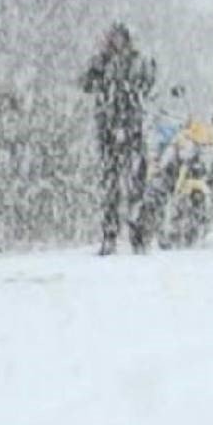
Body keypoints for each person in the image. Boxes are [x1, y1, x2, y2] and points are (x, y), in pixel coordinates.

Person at [79, 23, 157, 255]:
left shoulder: (138, 62)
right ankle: (110, 235)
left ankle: (138, 235)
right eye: (112, 38)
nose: (116, 42)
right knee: (111, 187)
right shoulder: (101, 62)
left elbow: (148, 84)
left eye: (120, 38)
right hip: (109, 132)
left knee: (136, 186)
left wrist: (130, 91)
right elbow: (86, 84)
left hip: (132, 130)